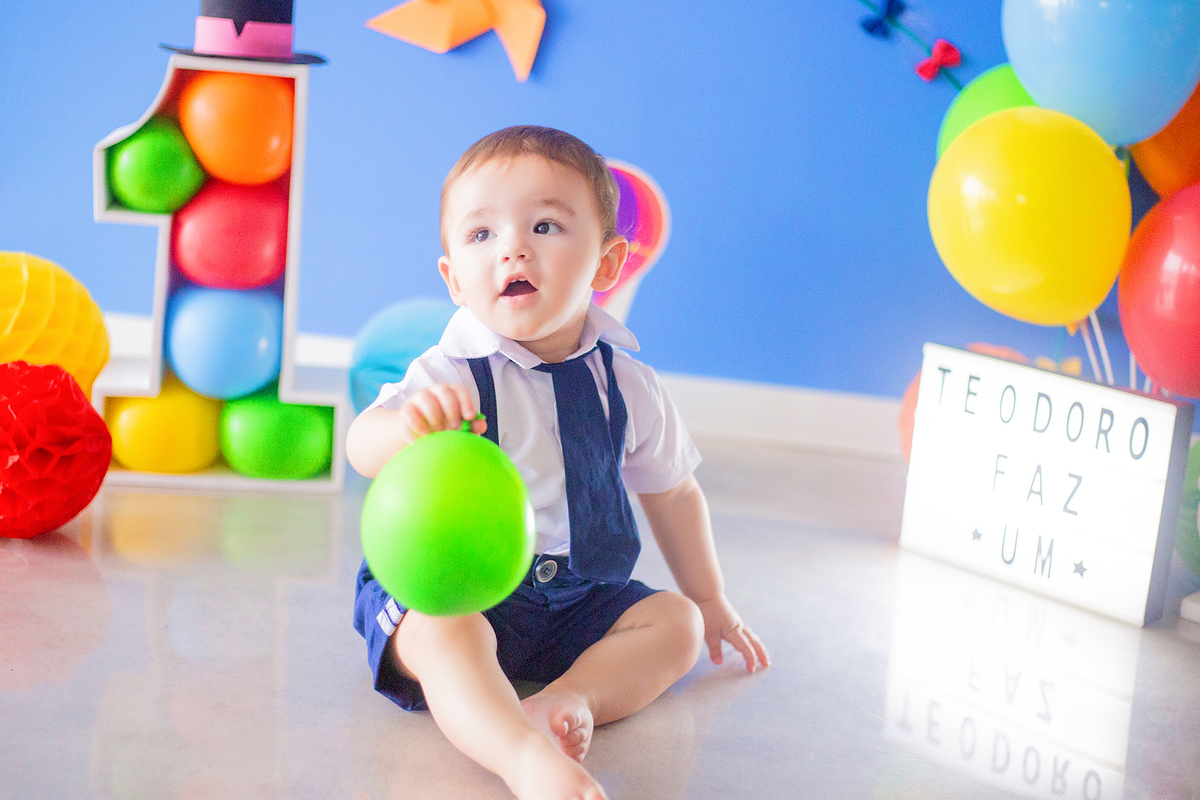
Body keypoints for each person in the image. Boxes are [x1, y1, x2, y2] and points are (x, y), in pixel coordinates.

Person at [348, 125, 769, 800]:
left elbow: (674, 494)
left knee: (676, 626)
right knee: (438, 633)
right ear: (455, 279)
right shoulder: (449, 371)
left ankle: (571, 700)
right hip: (458, 587)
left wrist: (712, 598)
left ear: (606, 266)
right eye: (481, 235)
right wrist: (404, 427)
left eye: (544, 225)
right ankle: (520, 756)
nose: (512, 246)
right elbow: (361, 446)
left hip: (579, 594)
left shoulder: (627, 385)